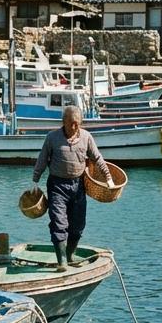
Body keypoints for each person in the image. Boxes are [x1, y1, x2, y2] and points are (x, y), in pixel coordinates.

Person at [31, 105, 112, 272]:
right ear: (63, 122)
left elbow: (97, 158)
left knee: (78, 225)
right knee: (59, 223)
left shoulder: (86, 137)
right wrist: (35, 181)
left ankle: (70, 255)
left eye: (77, 123)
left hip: (78, 186)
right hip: (57, 186)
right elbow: (42, 159)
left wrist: (108, 178)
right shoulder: (52, 137)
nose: (74, 127)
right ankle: (61, 261)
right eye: (70, 123)